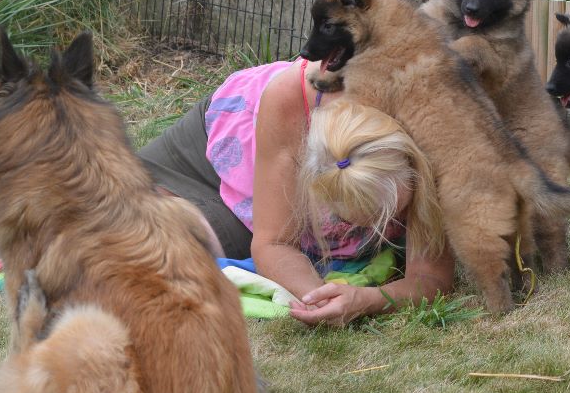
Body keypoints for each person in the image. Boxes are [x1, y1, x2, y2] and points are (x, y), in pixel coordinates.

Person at [137, 58, 456, 326]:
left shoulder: (437, 126)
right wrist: (315, 295)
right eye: (350, 217)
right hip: (213, 153)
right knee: (137, 241)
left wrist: (367, 299)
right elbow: (274, 242)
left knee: (188, 251)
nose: (370, 230)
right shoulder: (290, 97)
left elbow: (431, 277)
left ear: (413, 164)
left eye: (387, 214)